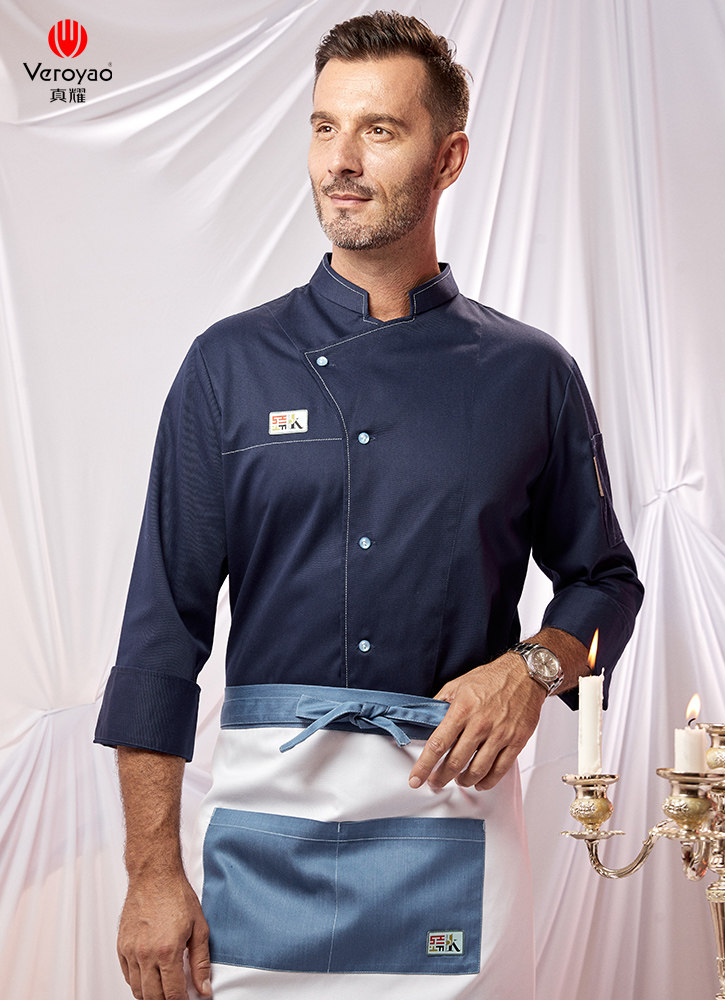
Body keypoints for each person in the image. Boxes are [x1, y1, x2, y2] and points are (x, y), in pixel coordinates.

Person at [95, 11, 643, 1000]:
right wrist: (151, 873)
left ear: (450, 158)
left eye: (379, 130)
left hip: (454, 821)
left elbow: (605, 582)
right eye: (324, 127)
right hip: (264, 834)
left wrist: (531, 669)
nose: (340, 162)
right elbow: (160, 636)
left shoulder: (532, 375)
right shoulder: (226, 366)